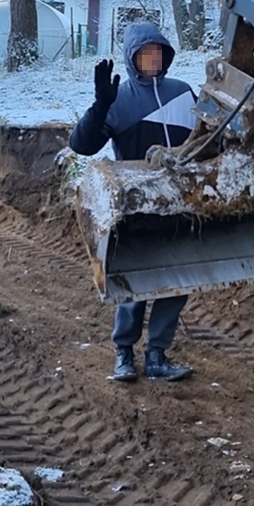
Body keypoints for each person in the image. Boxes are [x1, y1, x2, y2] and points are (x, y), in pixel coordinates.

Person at [70, 21, 196, 382]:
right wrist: (99, 107)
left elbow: (208, 142)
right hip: (134, 208)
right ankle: (123, 354)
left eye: (158, 51)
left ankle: (157, 355)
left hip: (178, 205)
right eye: (145, 53)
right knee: (134, 282)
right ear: (132, 59)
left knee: (177, 281)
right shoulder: (120, 99)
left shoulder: (184, 93)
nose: (153, 58)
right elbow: (81, 145)